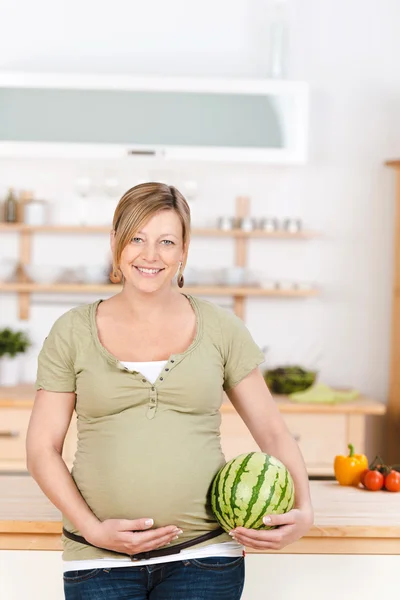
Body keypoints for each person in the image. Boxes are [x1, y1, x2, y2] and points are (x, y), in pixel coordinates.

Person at [26, 182, 314, 600]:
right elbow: (41, 449)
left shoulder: (221, 328)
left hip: (206, 558)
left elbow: (273, 434)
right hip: (98, 559)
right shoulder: (72, 331)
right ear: (115, 243)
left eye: (166, 241)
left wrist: (304, 510)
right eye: (137, 238)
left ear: (184, 250)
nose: (150, 254)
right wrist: (92, 529)